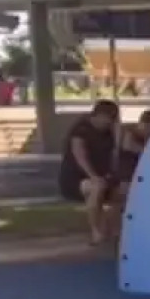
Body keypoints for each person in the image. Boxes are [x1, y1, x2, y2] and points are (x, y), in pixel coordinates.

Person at [59, 99, 122, 245]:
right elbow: (80, 156)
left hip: (101, 177)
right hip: (76, 179)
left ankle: (111, 229)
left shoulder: (108, 133)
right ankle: (96, 231)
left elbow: (115, 153)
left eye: (113, 120)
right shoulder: (81, 130)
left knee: (125, 191)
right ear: (99, 115)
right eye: (109, 119)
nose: (110, 123)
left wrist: (118, 133)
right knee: (96, 188)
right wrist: (93, 176)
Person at [116, 109, 150, 182]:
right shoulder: (129, 133)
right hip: (128, 172)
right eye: (146, 126)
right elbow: (129, 147)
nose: (147, 129)